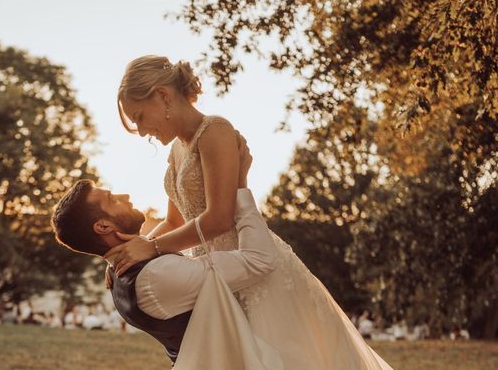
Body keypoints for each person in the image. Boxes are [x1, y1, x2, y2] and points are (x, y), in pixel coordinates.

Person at [106, 55, 394, 369]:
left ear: (162, 96)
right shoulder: (178, 148)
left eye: (139, 116)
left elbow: (219, 218)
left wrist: (151, 247)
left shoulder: (214, 131)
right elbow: (175, 221)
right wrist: (128, 255)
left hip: (254, 264)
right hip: (217, 276)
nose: (141, 130)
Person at [51, 139, 279, 365]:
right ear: (103, 227)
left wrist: (180, 167)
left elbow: (172, 224)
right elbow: (259, 260)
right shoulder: (155, 275)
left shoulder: (123, 268)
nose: (125, 197)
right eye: (112, 200)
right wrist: (239, 185)